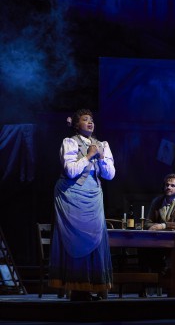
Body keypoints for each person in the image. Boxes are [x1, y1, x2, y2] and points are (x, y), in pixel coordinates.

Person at [48, 108, 115, 301]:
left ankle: (94, 285)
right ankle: (76, 288)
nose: (90, 122)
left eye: (92, 119)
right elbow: (70, 171)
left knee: (94, 237)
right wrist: (88, 156)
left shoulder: (102, 145)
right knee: (74, 239)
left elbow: (110, 175)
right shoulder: (69, 142)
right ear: (76, 125)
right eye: (85, 119)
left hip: (92, 195)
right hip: (71, 195)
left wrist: (101, 157)